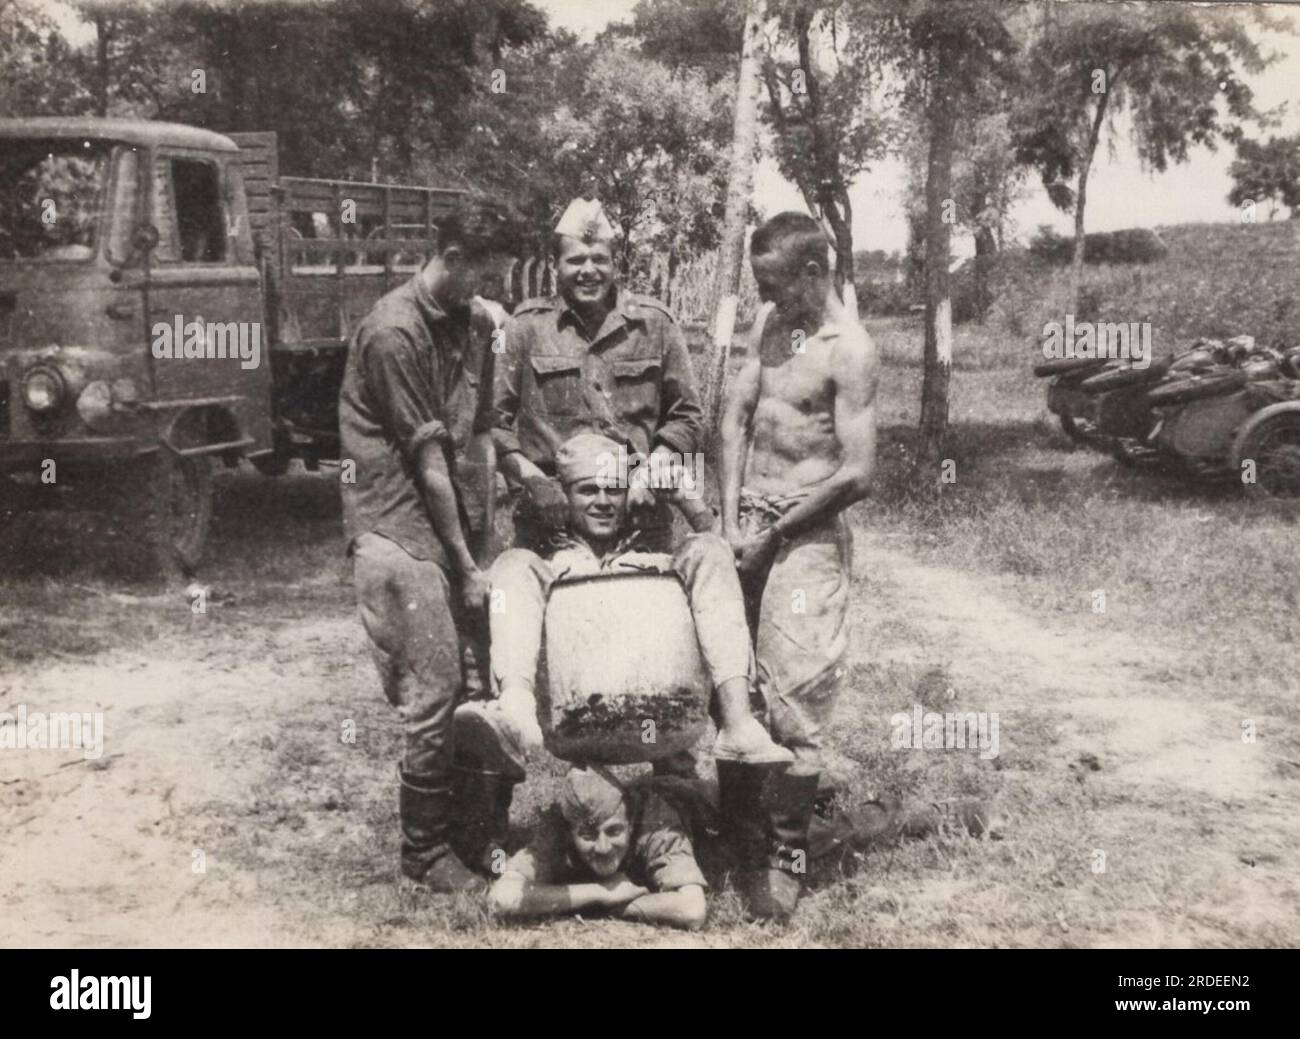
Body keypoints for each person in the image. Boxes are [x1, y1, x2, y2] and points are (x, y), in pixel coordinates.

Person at [339, 201, 520, 893]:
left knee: (487, 678)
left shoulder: (472, 323)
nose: (484, 288)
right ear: (450, 255)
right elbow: (431, 463)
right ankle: (424, 852)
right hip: (396, 529)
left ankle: (473, 831)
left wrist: (488, 527)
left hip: (453, 529)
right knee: (436, 687)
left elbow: (476, 436)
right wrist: (468, 566)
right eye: (480, 273)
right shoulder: (393, 332)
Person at [455, 431, 792, 777]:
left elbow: (726, 555)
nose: (603, 501)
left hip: (662, 704)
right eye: (587, 491)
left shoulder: (653, 555)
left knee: (710, 549)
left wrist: (688, 501)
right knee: (511, 564)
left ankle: (738, 724)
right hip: (572, 713)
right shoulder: (548, 563)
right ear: (565, 497)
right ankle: (516, 710)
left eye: (613, 489)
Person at [716, 212, 880, 921]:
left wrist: (778, 532)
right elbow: (735, 417)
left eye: (779, 284)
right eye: (762, 286)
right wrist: (728, 521)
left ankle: (787, 857)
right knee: (733, 684)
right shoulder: (769, 325)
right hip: (747, 526)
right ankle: (738, 840)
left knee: (796, 700)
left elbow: (859, 472)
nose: (771, 297)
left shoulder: (852, 351)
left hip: (804, 536)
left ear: (815, 272)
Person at [492, 198, 704, 554]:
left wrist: (652, 474)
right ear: (553, 264)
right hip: (550, 519)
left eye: (599, 260)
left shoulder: (655, 324)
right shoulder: (524, 328)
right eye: (575, 260)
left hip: (639, 516)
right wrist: (533, 481)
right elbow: (491, 422)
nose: (588, 270)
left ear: (615, 263)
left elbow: (687, 417)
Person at [488, 766, 709, 929]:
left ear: (631, 825)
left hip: (696, 799)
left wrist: (614, 906)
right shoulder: (557, 829)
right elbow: (502, 899)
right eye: (588, 836)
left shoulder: (656, 822)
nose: (603, 848)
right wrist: (600, 893)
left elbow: (692, 909)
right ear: (569, 833)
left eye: (614, 832)